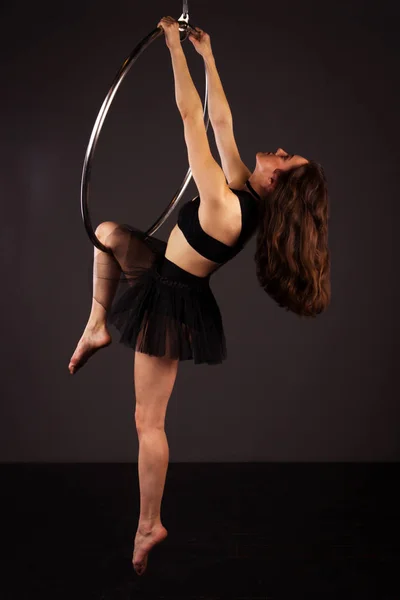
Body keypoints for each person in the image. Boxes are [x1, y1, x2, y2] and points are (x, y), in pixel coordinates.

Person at [68, 16, 330, 575]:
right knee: (108, 234)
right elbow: (219, 119)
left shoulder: (225, 204)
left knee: (148, 421)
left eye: (287, 159)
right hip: (162, 271)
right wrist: (207, 57)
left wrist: (170, 45)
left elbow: (191, 118)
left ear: (277, 181)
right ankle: (96, 323)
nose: (280, 150)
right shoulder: (243, 189)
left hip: (170, 300)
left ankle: (148, 523)